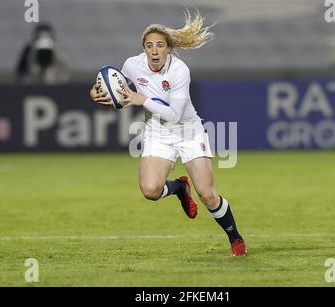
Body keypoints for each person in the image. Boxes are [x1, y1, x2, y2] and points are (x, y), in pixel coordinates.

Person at [89, 10, 246, 256]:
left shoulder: (179, 71)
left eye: (159, 45)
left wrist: (142, 99)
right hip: (157, 133)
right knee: (151, 190)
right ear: (143, 48)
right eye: (149, 46)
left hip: (188, 131)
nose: (154, 51)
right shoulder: (133, 64)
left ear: (168, 49)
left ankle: (235, 238)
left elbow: (174, 114)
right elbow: (114, 87)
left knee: (207, 194)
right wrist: (96, 93)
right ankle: (179, 188)